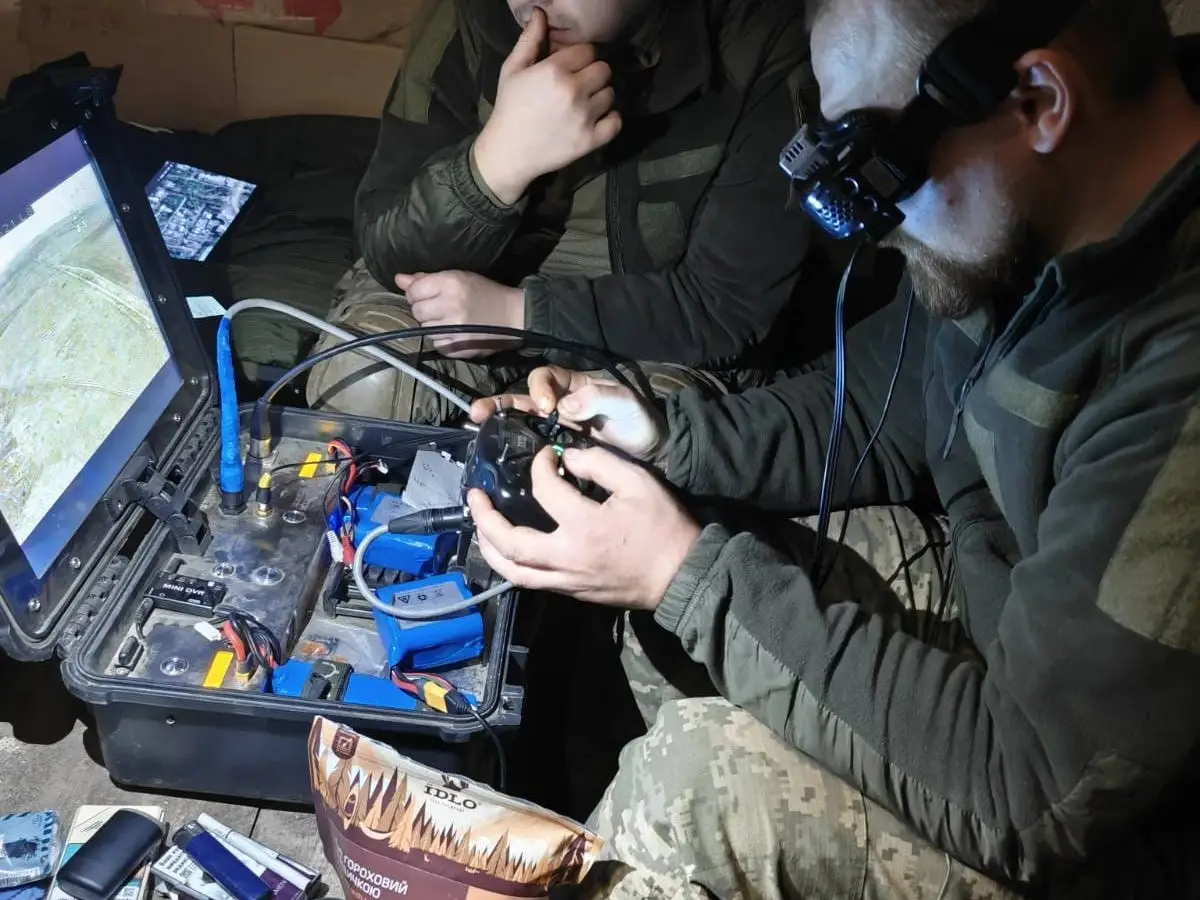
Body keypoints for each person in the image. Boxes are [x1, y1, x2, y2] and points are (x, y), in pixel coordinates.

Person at [461, 0, 1200, 895]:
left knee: (699, 786)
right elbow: (877, 412)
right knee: (678, 552)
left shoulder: (1177, 368)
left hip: (1110, 823)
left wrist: (681, 571)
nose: (874, 222)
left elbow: (1035, 794)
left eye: (871, 160)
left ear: (1040, 99)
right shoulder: (1041, 213)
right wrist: (666, 439)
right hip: (1012, 623)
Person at [304, 0, 816, 425]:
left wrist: (518, 315)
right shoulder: (463, 15)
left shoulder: (760, 39)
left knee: (622, 457)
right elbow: (385, 242)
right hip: (461, 300)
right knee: (365, 385)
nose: (531, 2)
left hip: (646, 338)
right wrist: (493, 167)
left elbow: (728, 307)